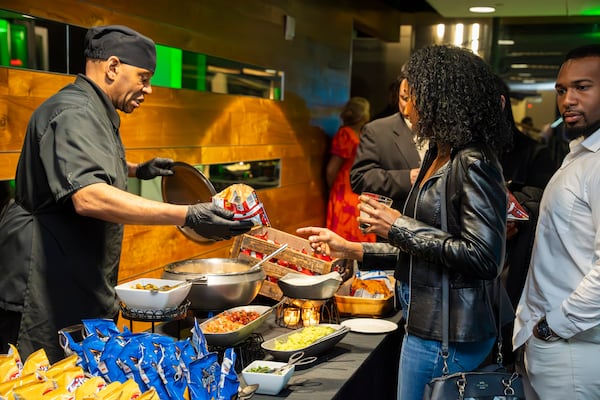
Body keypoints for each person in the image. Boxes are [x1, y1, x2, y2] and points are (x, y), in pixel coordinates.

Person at [0, 25, 253, 363]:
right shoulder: (74, 112)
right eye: (143, 78)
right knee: (44, 375)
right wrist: (186, 214)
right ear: (113, 67)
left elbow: (77, 165)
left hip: (72, 267)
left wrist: (136, 169)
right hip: (43, 276)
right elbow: (88, 196)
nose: (148, 89)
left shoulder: (92, 108)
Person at [298, 44, 513, 400]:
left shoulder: (472, 160)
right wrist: (351, 248)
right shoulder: (437, 152)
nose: (406, 107)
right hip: (426, 322)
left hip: (447, 332)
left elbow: (483, 257)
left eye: (414, 96)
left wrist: (397, 225)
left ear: (442, 98)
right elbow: (424, 250)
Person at [512, 44, 600, 399]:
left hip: (573, 349)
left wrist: (554, 326)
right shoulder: (580, 153)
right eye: (562, 90)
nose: (568, 100)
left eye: (583, 87)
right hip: (551, 343)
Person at [325, 96, 374, 242]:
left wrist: (329, 189)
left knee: (341, 237)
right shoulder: (361, 135)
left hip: (344, 190)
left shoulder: (347, 134)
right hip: (357, 191)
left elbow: (331, 170)